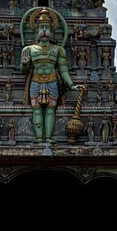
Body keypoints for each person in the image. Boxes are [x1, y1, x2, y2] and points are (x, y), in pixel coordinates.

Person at [21, 7, 78, 142]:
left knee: (51, 110)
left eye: (47, 27)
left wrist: (71, 84)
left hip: (52, 81)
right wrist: (24, 64)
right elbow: (24, 71)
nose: (45, 29)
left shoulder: (58, 50)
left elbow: (63, 70)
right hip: (35, 81)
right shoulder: (28, 49)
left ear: (52, 31)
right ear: (36, 30)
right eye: (42, 27)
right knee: (36, 110)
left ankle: (49, 138)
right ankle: (39, 138)